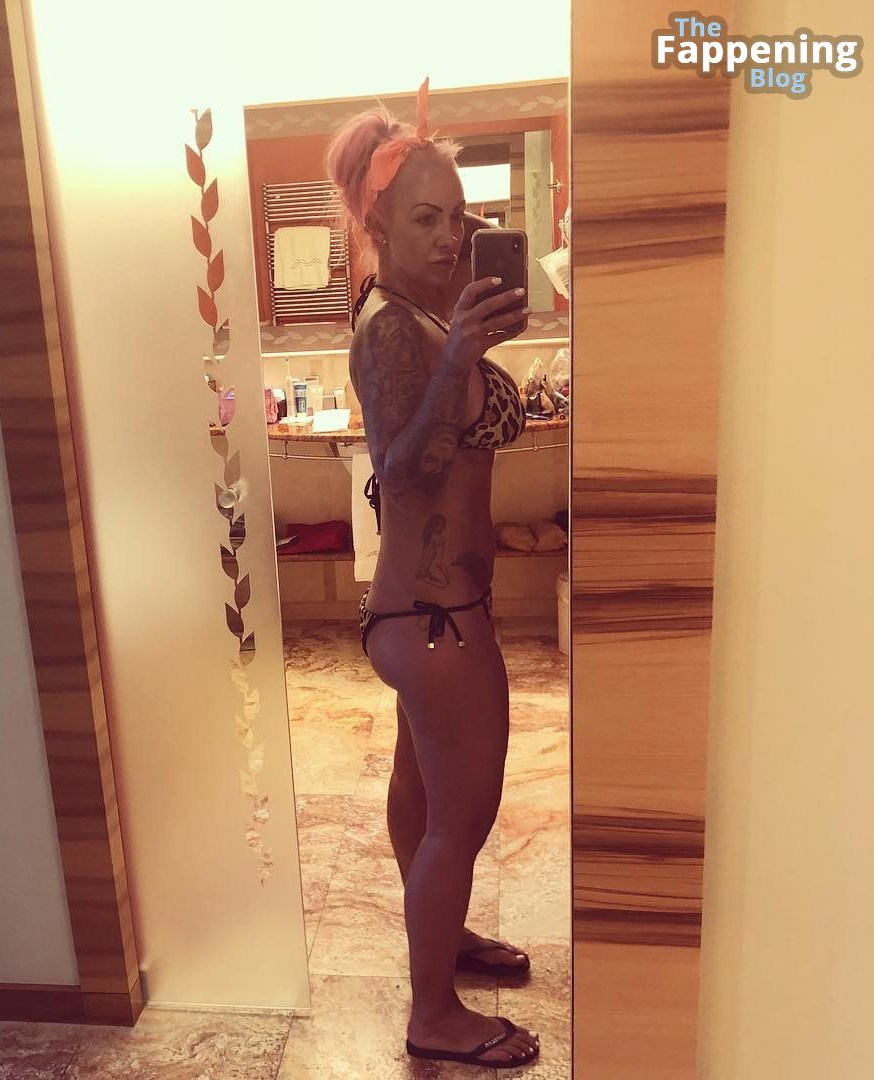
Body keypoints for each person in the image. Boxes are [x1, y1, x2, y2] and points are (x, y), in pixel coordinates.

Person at [324, 79, 541, 1069]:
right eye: (426, 218)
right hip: (436, 619)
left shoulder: (418, 311)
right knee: (465, 814)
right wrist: (459, 358)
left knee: (423, 792)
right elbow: (403, 470)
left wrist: (462, 331)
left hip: (431, 610)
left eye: (459, 214)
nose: (451, 234)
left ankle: (440, 939)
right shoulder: (390, 330)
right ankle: (433, 1015)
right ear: (376, 225)